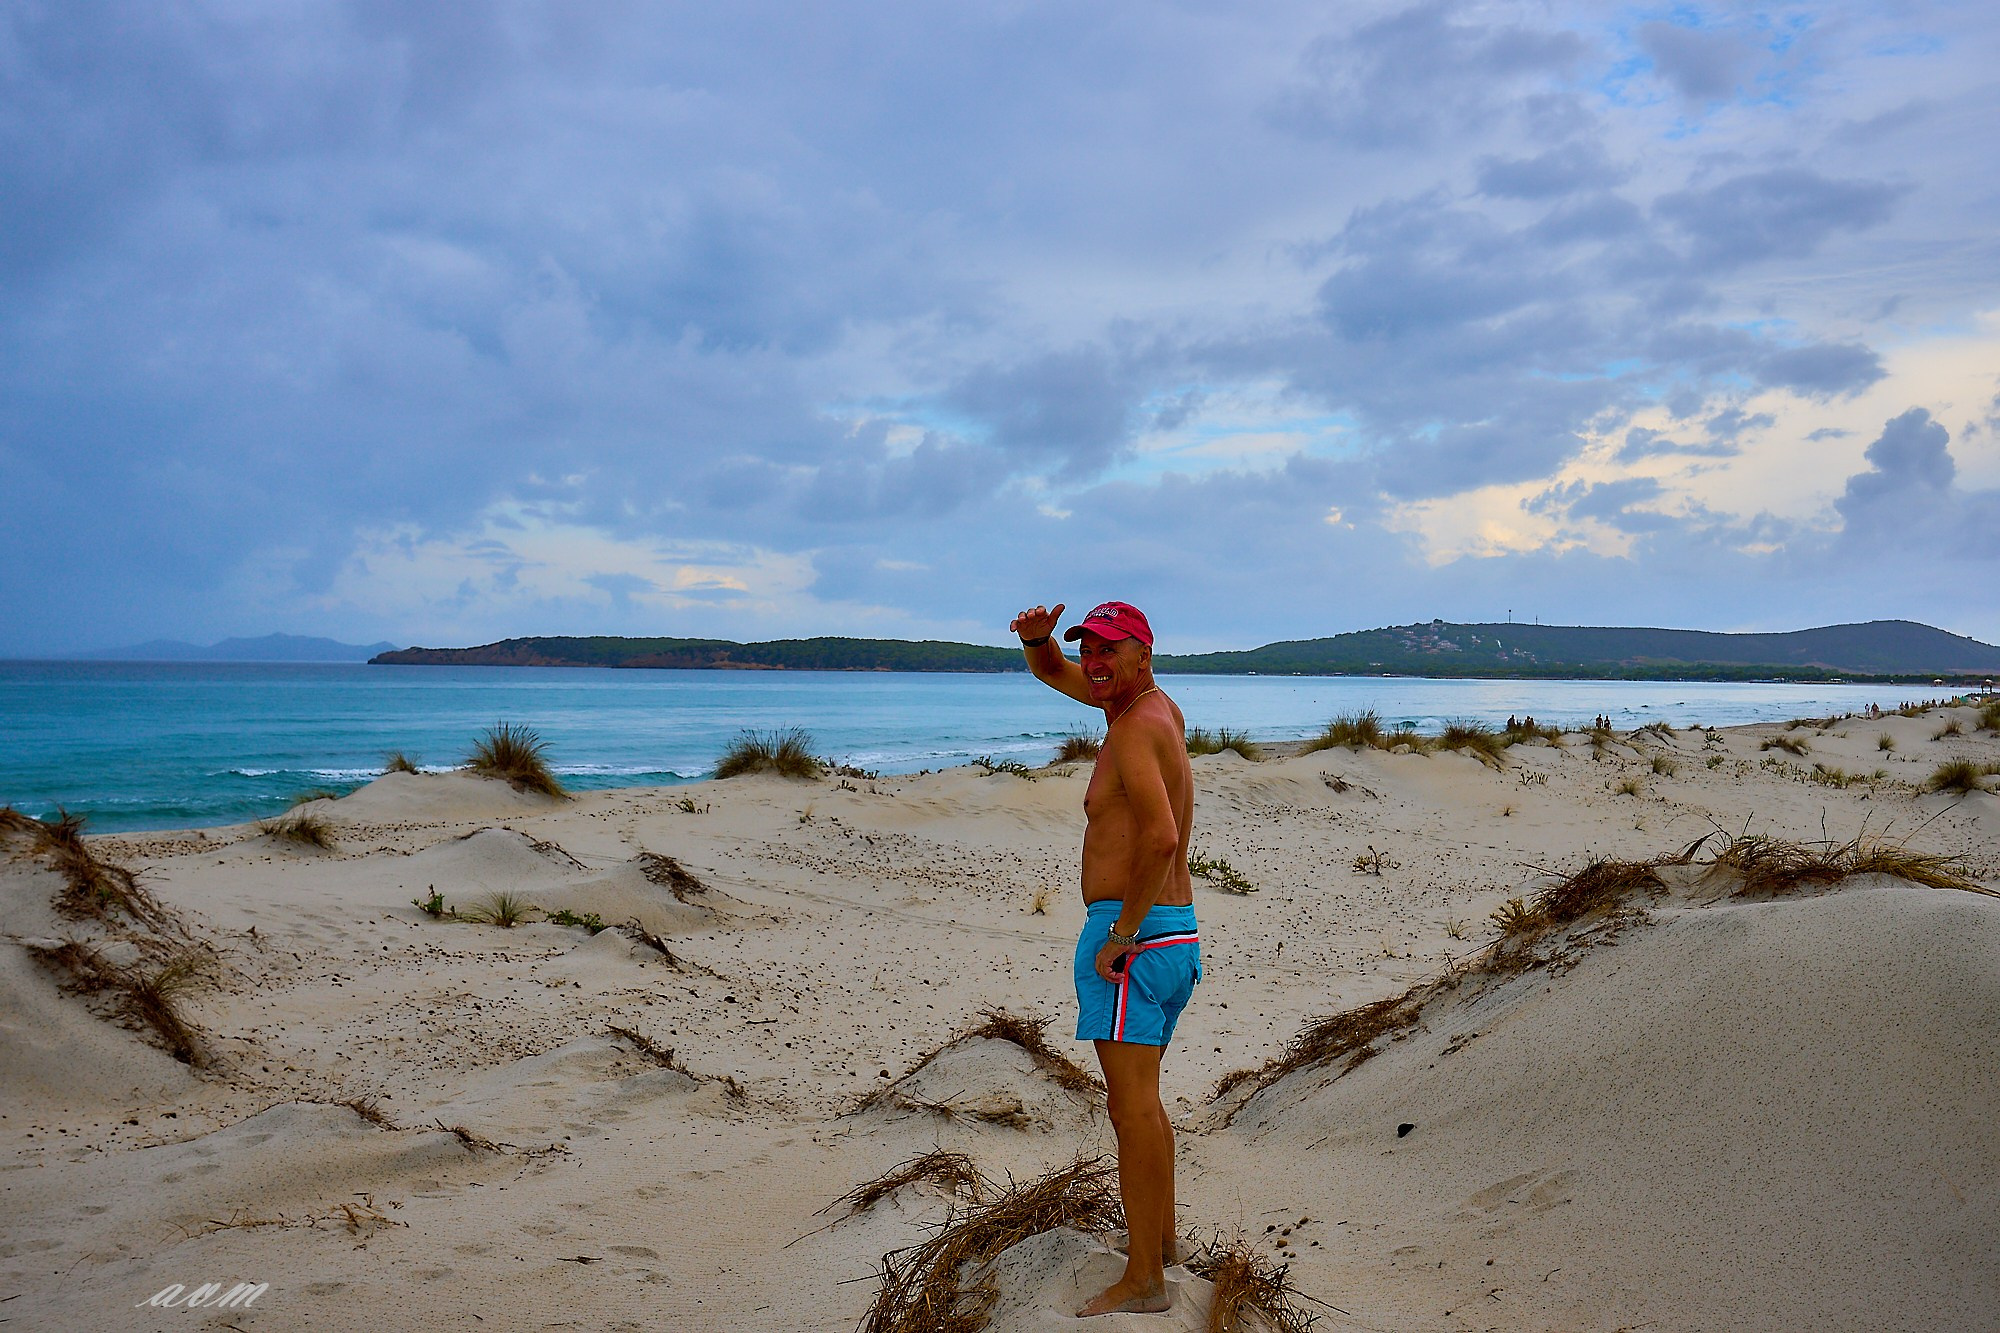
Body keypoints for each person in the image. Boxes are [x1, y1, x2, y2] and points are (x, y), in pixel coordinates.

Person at [1008, 599, 1201, 1318]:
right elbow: (1060, 672)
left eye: (1110, 649)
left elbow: (1158, 839)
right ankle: (1165, 1246)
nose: (1096, 660)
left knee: (1131, 1109)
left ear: (1143, 653)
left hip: (1137, 938)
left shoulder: (1131, 732)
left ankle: (1145, 1279)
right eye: (1090, 646)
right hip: (1174, 933)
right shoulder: (1154, 712)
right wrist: (1038, 643)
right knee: (1145, 1104)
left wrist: (1120, 934)